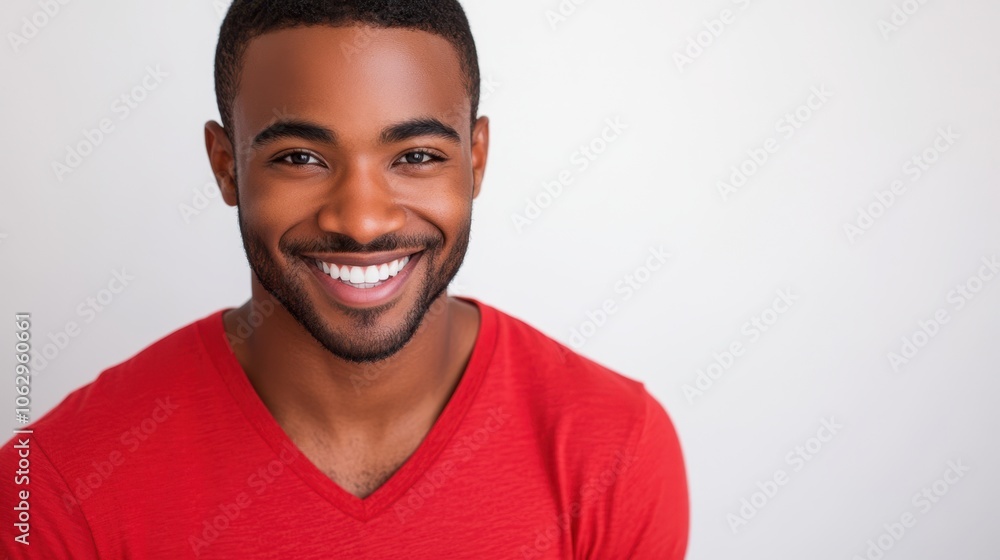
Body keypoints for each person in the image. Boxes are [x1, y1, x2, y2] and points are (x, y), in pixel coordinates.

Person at [1, 1, 689, 557]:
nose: (361, 222)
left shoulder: (615, 452)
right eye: (301, 157)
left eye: (415, 155)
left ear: (475, 160)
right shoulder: (54, 490)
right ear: (226, 165)